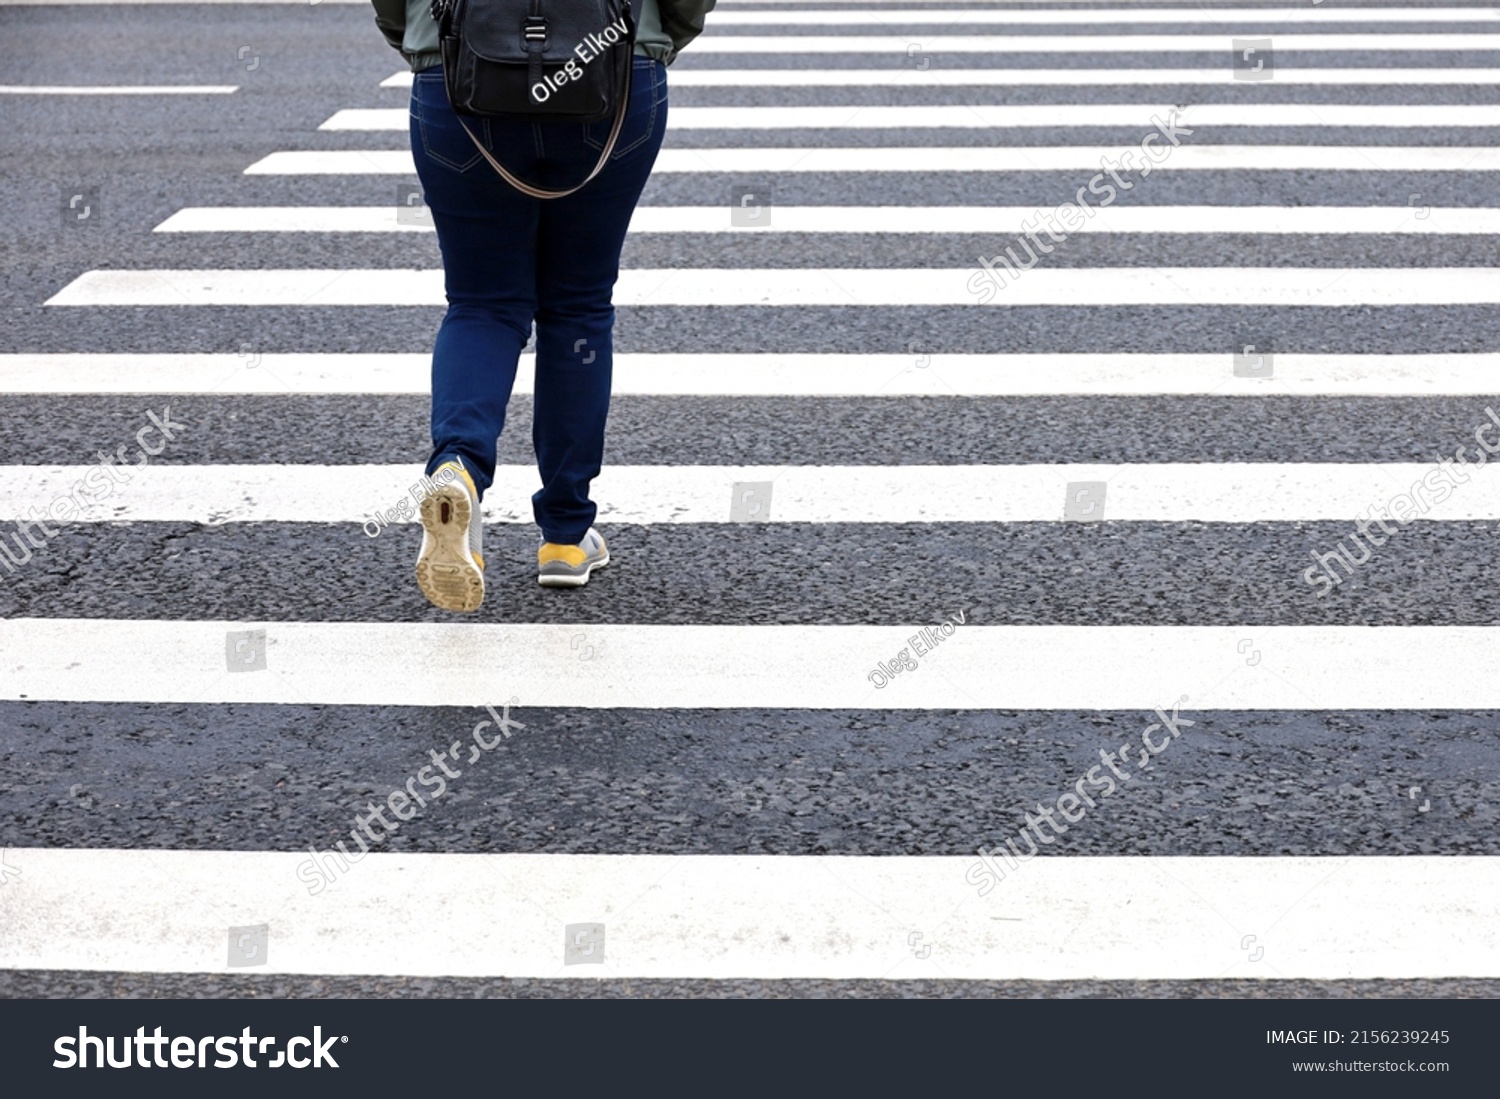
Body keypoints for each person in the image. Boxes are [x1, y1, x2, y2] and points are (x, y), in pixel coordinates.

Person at [370, 0, 715, 610]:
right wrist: (662, 36)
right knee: (579, 305)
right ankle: (564, 534)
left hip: (457, 65)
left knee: (481, 302)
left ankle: (458, 468)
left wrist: (419, 37)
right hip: (616, 63)